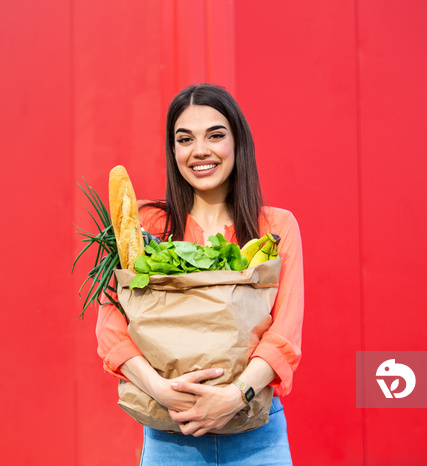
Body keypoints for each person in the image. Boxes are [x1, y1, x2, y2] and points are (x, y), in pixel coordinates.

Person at [95, 84, 304, 464]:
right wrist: (161, 388)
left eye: (215, 135)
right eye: (185, 139)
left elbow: (284, 335)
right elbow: (111, 331)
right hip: (171, 435)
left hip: (255, 435)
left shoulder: (274, 227)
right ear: (172, 150)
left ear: (238, 143)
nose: (200, 151)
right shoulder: (145, 225)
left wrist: (235, 395)